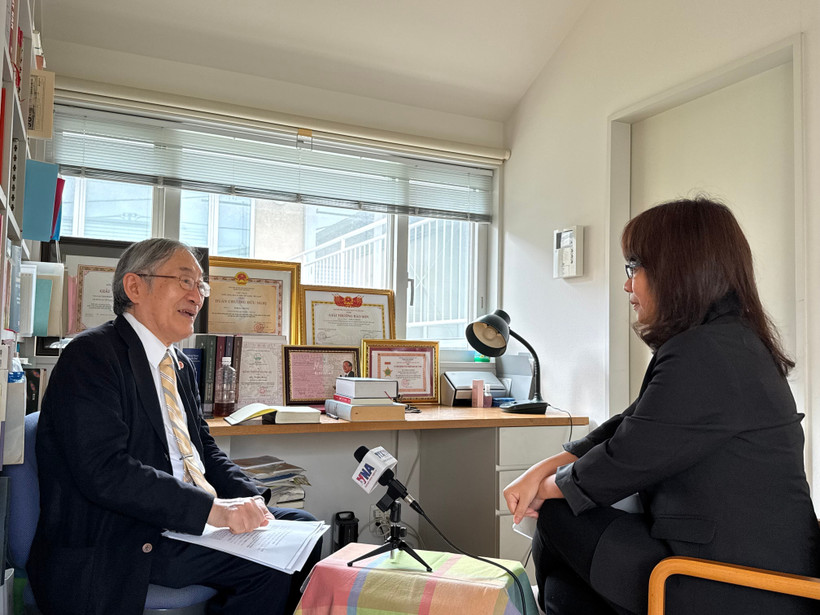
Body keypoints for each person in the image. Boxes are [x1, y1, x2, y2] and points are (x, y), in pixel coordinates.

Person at [503, 197, 820, 615]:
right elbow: (630, 422)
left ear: (678, 270)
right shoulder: (729, 342)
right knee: (563, 580)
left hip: (742, 584)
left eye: (635, 267)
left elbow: (621, 461)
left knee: (561, 518)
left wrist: (542, 491)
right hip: (748, 567)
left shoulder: (705, 353)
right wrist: (541, 469)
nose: (627, 285)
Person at [28, 239, 322, 615]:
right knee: (266, 570)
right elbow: (105, 471)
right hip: (126, 533)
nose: (197, 295)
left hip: (182, 518)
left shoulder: (178, 363)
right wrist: (214, 510)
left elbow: (204, 450)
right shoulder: (91, 356)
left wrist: (251, 500)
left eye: (201, 285)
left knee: (305, 529)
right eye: (185, 281)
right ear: (134, 287)